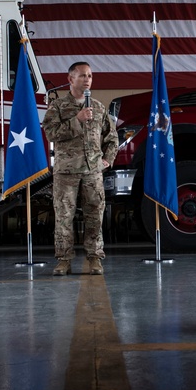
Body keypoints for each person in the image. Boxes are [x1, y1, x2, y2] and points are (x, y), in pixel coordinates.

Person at [43, 61, 117, 276]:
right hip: (66, 172)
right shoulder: (58, 107)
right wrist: (76, 120)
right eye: (83, 75)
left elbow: (111, 138)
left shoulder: (98, 107)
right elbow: (51, 133)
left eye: (90, 76)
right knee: (64, 217)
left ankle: (95, 258)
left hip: (92, 172)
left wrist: (106, 160)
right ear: (70, 79)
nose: (87, 80)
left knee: (95, 215)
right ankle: (64, 260)